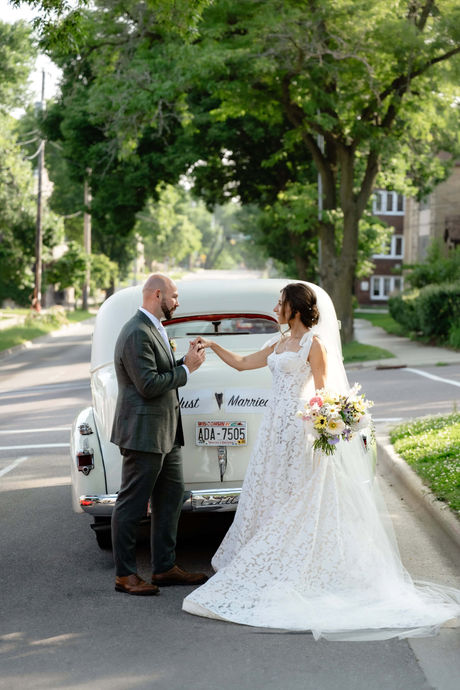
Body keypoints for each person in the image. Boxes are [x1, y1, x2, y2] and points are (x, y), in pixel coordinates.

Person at [183, 282, 460, 639]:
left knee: (300, 495)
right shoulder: (277, 342)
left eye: (279, 303)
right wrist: (214, 344)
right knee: (272, 493)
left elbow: (324, 393)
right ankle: (275, 565)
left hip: (299, 432)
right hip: (272, 431)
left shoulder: (314, 343)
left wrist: (325, 426)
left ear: (294, 308)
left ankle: (302, 568)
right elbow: (241, 364)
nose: (275, 307)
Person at [110, 273, 208, 595]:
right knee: (131, 504)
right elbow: (149, 385)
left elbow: (160, 371)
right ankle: (125, 575)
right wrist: (186, 370)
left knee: (170, 498)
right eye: (174, 296)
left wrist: (184, 360)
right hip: (144, 434)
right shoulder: (137, 332)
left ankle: (164, 568)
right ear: (157, 294)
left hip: (167, 433)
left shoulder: (155, 329)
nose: (177, 302)